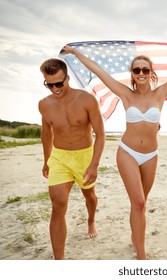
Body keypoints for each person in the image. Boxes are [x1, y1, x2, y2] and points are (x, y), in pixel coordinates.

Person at [62, 45, 167, 260]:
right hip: (128, 153)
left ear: (152, 73)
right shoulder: (125, 94)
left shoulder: (160, 93)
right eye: (137, 70)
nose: (141, 73)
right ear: (132, 74)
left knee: (141, 203)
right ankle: (141, 257)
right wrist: (75, 53)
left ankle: (136, 237)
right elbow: (98, 70)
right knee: (140, 202)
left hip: (151, 155)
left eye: (145, 70)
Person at [38, 58, 105, 260]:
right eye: (50, 84)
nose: (55, 88)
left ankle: (91, 219)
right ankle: (59, 262)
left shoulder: (86, 100)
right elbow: (46, 134)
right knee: (58, 205)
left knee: (89, 196)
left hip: (84, 156)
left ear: (67, 77)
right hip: (59, 158)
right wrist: (46, 159)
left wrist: (94, 165)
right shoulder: (44, 104)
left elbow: (101, 134)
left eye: (59, 83)